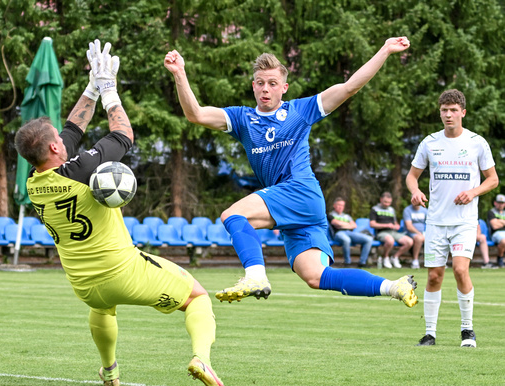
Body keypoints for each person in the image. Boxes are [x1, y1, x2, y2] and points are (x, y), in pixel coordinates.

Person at [14, 40, 227, 386]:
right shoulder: (79, 170)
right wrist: (110, 92)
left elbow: (70, 132)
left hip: (83, 282)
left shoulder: (35, 182)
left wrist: (91, 88)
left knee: (102, 307)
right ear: (53, 149)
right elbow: (123, 135)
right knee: (197, 298)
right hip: (122, 271)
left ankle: (109, 371)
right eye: (56, 140)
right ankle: (201, 358)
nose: (62, 140)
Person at [165, 37, 417, 308]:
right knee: (317, 276)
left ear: (283, 88)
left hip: (299, 190)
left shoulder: (300, 111)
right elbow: (196, 115)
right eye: (260, 83)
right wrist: (180, 74)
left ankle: (255, 275)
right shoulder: (241, 118)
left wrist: (385, 50)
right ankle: (393, 286)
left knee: (233, 215)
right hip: (299, 209)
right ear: (253, 86)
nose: (265, 89)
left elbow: (349, 87)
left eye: (272, 84)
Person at [406, 89, 498, 348]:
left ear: (463, 113)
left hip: (464, 221)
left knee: (460, 270)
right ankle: (429, 334)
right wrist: (415, 191)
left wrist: (472, 191)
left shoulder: (477, 142)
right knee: (434, 276)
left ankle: (467, 330)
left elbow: (493, 179)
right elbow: (412, 176)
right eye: (444, 110)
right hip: (435, 221)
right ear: (440, 113)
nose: (448, 115)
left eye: (453, 110)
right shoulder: (430, 143)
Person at [369, 192, 414, 269]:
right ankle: (385, 257)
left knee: (409, 242)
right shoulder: (374, 209)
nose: (387, 204)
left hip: (393, 232)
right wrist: (386, 225)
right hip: (381, 232)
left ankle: (395, 257)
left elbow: (395, 222)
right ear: (381, 200)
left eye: (389, 202)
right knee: (390, 240)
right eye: (385, 202)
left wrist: (396, 225)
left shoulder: (391, 210)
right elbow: (372, 224)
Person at [328, 197, 373, 267]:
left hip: (350, 233)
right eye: (339, 205)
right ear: (334, 205)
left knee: (368, 239)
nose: (340, 207)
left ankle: (362, 262)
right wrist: (347, 224)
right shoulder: (330, 215)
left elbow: (354, 225)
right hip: (338, 233)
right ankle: (347, 262)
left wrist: (342, 225)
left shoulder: (347, 216)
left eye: (342, 205)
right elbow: (335, 223)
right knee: (346, 240)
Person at [402, 203, 427, 269]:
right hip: (410, 233)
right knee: (419, 238)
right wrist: (418, 233)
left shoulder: (424, 211)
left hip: (423, 233)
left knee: (431, 239)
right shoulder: (407, 210)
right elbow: (409, 226)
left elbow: (430, 223)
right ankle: (415, 260)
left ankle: (431, 261)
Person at [487, 194, 505, 267]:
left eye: (502, 203)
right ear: (495, 203)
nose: (500, 205)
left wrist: (499, 221)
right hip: (496, 233)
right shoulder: (491, 212)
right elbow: (494, 226)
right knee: (504, 241)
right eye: (499, 202)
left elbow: (496, 223)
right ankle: (500, 258)